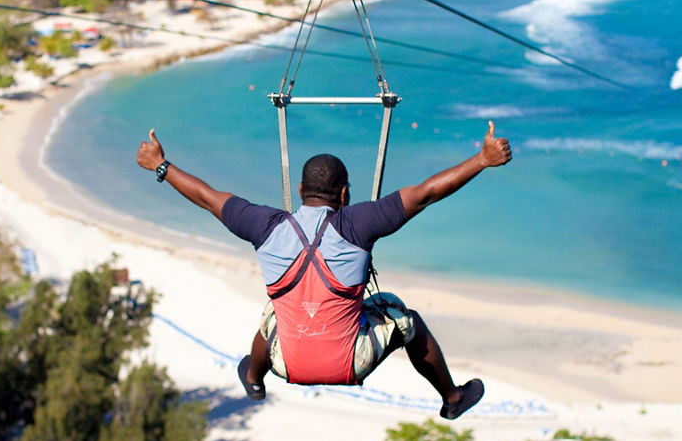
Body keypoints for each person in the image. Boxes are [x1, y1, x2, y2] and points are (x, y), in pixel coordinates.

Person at [135, 122, 512, 420]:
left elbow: (206, 197)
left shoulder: (264, 226)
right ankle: (452, 398)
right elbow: (426, 193)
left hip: (288, 363)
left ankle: (253, 378)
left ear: (300, 189)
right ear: (345, 194)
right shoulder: (358, 224)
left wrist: (160, 166)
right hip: (349, 362)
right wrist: (481, 159)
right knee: (403, 317)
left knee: (274, 312)